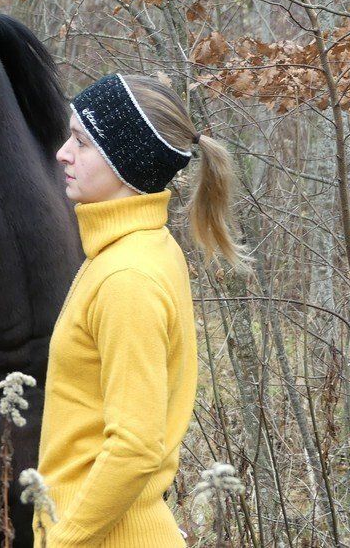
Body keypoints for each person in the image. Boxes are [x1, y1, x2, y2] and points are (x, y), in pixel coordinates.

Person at [34, 72, 253, 547]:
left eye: (82, 142)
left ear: (125, 162)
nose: (62, 154)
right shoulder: (137, 249)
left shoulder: (126, 276)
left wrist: (64, 539)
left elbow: (135, 447)